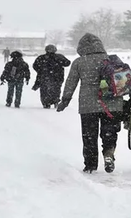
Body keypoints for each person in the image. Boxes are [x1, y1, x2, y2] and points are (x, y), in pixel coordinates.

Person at [57, 33, 123, 174]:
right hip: (112, 104)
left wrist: (65, 100)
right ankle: (109, 153)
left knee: (89, 135)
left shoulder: (79, 62)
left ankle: (90, 165)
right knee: (109, 132)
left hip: (89, 105)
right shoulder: (111, 60)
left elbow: (71, 82)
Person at [32, 44, 71, 109]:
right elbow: (67, 63)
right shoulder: (59, 57)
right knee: (56, 89)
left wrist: (41, 71)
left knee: (44, 90)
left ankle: (46, 103)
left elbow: (35, 66)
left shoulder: (41, 58)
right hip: (57, 77)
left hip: (44, 77)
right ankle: (55, 100)